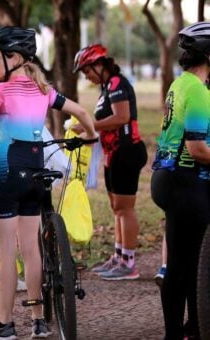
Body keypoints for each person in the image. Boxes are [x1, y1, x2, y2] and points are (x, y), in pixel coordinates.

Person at [0, 26, 97, 339]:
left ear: (14, 57)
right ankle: (38, 320)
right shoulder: (44, 91)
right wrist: (91, 135)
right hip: (35, 172)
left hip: (5, 172)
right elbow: (83, 111)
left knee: (6, 252)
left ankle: (4, 324)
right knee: (31, 250)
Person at [151, 21, 210, 340]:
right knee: (186, 264)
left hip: (169, 179)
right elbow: (198, 148)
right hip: (184, 181)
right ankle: (179, 332)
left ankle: (191, 328)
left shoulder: (180, 84)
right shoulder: (199, 92)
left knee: (186, 262)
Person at [72, 44, 148, 281]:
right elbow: (107, 125)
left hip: (127, 152)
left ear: (99, 64)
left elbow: (122, 118)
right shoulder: (106, 88)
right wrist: (88, 136)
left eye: (87, 71)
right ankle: (118, 256)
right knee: (116, 208)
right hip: (113, 154)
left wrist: (89, 125)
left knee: (125, 208)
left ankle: (129, 262)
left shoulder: (117, 83)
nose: (87, 77)